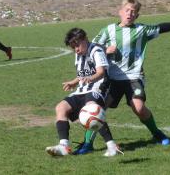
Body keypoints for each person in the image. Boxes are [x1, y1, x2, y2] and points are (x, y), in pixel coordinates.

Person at [74, 0, 170, 155]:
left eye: (133, 12)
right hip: (111, 79)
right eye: (127, 10)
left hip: (133, 77)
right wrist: (106, 49)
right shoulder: (108, 30)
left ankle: (157, 133)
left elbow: (160, 28)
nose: (130, 14)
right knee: (96, 109)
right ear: (120, 12)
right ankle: (87, 143)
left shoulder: (141, 30)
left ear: (137, 16)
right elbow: (92, 47)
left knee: (139, 108)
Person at [45, 28, 123, 157]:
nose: (75, 49)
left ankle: (111, 146)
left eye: (77, 45)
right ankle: (64, 146)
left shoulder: (96, 51)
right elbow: (82, 74)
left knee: (92, 109)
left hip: (99, 87)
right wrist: (74, 82)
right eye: (72, 47)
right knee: (60, 108)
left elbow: (101, 72)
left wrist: (90, 79)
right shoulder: (78, 54)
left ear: (85, 39)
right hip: (82, 89)